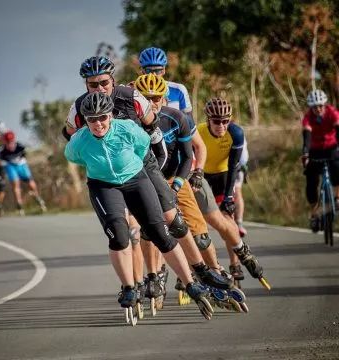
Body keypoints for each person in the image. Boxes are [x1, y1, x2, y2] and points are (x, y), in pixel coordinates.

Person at [66, 56, 227, 303]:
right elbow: (71, 137)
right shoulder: (79, 107)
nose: (99, 89)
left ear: (114, 80)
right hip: (110, 172)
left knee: (173, 219)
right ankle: (150, 276)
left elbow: (154, 131)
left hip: (145, 161)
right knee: (135, 228)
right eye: (93, 84)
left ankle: (201, 270)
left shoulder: (132, 97)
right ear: (86, 85)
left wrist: (158, 167)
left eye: (104, 83)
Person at [134, 74, 245, 309]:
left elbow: (188, 156)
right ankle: (154, 277)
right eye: (145, 98)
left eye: (155, 97)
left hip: (175, 176)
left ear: (164, 98)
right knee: (148, 231)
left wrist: (179, 183)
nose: (151, 102)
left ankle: (215, 272)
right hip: (144, 179)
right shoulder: (130, 123)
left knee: (200, 235)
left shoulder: (177, 117)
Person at [197, 98, 266, 287]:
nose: (221, 125)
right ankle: (200, 265)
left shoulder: (236, 133)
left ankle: (235, 264)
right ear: (208, 119)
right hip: (202, 176)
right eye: (216, 121)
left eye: (225, 121)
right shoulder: (199, 131)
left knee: (228, 219)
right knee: (198, 223)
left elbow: (233, 165)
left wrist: (229, 196)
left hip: (223, 175)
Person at [300, 89, 339, 232]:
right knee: (311, 181)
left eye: (320, 106)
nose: (318, 109)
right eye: (314, 107)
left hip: (332, 148)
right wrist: (305, 153)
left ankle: (337, 197)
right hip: (314, 150)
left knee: (337, 170)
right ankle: (314, 214)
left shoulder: (332, 112)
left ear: (325, 105)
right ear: (311, 107)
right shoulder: (308, 117)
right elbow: (307, 137)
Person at [0, 131, 46, 215]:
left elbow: (28, 154)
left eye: (12, 141)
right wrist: (2, 162)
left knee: (31, 184)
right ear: (5, 142)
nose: (10, 144)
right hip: (10, 166)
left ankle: (38, 198)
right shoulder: (1, 150)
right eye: (8, 142)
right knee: (15, 184)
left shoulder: (20, 146)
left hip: (21, 165)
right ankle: (19, 205)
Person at [234, 140, 249, 237]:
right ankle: (238, 223)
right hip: (237, 167)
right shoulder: (239, 131)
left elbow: (243, 156)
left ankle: (238, 223)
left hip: (235, 168)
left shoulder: (238, 132)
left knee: (237, 193)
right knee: (237, 193)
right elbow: (244, 157)